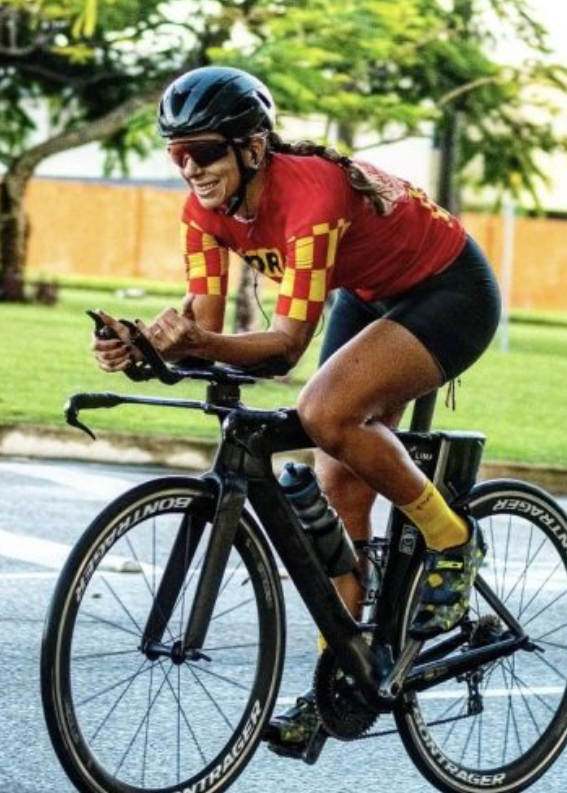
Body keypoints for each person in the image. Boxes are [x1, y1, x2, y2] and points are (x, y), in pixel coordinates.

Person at [91, 65, 502, 762]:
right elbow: (207, 333)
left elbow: (283, 349)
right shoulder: (203, 212)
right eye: (177, 153)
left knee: (324, 412)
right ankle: (340, 679)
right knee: (338, 482)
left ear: (253, 147)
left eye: (204, 151)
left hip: (449, 291)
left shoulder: (309, 197)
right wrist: (144, 347)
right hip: (368, 295)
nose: (190, 168)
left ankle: (451, 537)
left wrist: (192, 343)